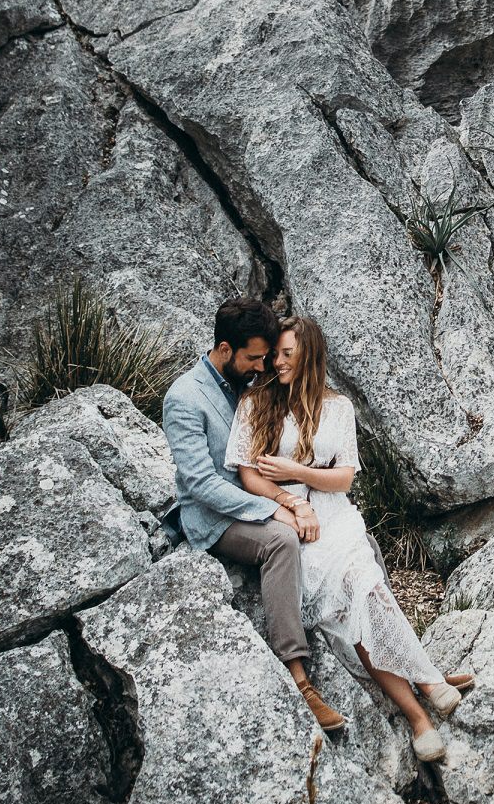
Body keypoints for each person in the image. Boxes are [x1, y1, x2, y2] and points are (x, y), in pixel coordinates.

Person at [229, 315, 474, 763]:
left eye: (287, 354)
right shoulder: (255, 403)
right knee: (353, 608)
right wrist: (291, 499)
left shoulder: (337, 407)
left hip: (336, 517)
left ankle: (422, 711)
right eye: (275, 354)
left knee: (365, 588)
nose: (277, 362)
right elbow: (249, 476)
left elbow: (344, 478)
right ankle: (426, 691)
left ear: (309, 356)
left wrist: (297, 471)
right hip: (294, 523)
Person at [161, 296, 347, 733]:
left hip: (267, 494)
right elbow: (201, 485)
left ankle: (409, 663)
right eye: (254, 358)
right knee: (282, 541)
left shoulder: (249, 382)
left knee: (350, 534)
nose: (262, 367)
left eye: (266, 358)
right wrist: (277, 509)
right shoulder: (184, 398)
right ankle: (299, 677)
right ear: (225, 349)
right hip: (215, 517)